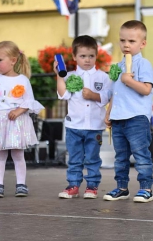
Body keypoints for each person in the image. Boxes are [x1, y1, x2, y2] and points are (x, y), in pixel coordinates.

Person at [0, 41, 44, 198]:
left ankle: (21, 184)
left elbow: (29, 101)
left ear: (13, 60)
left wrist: (19, 110)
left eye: (0, 60)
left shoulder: (22, 80)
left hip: (16, 121)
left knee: (18, 155)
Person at [103, 20, 153, 203]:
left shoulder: (144, 64)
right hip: (118, 118)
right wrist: (109, 112)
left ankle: (146, 188)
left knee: (141, 155)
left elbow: (146, 89)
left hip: (136, 118)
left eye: (131, 41)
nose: (126, 44)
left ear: (142, 44)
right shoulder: (118, 66)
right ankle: (122, 187)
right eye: (122, 40)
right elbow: (113, 93)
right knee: (120, 157)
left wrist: (128, 80)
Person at [55, 35, 110, 199]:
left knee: (93, 159)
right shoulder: (70, 76)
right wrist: (59, 75)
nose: (87, 60)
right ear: (74, 57)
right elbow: (62, 94)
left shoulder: (103, 77)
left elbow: (107, 97)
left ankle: (92, 187)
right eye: (82, 56)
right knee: (74, 158)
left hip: (95, 127)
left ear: (96, 55)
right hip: (74, 127)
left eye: (91, 56)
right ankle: (73, 185)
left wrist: (93, 95)